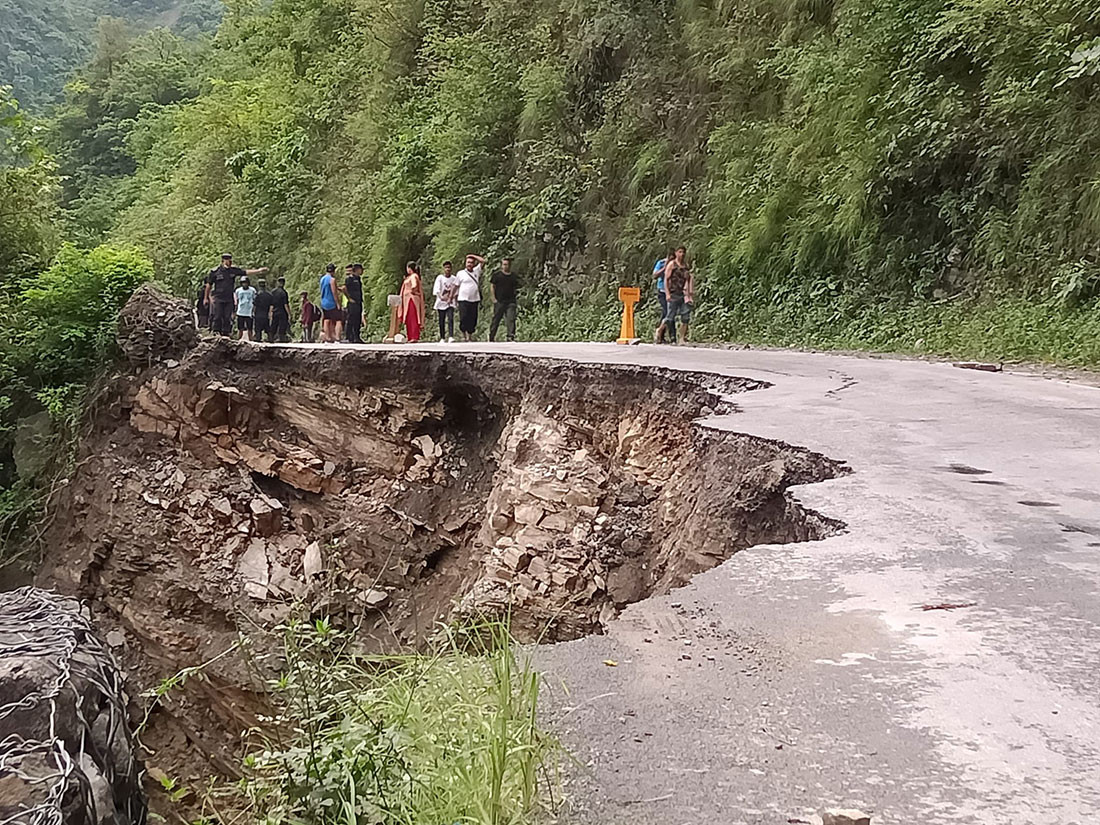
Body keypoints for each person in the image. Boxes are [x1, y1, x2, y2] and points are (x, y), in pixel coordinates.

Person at [205, 253, 268, 336]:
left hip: (228, 298)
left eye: (230, 260)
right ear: (223, 260)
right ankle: (216, 333)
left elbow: (245, 272)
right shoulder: (215, 272)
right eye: (228, 260)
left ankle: (226, 334)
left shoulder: (233, 270)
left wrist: (259, 270)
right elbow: (209, 285)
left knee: (227, 317)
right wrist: (206, 298)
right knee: (218, 316)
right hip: (218, 297)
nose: (230, 261)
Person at [655, 245, 693, 344]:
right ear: (676, 253)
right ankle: (659, 330)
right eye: (680, 252)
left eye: (683, 252)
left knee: (685, 317)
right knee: (670, 317)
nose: (682, 254)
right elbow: (666, 280)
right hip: (672, 293)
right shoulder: (672, 264)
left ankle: (682, 338)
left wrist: (689, 295)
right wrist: (667, 293)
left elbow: (689, 280)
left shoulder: (685, 266)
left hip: (682, 293)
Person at [455, 253, 485, 342]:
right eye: (468, 262)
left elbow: (483, 261)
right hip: (463, 299)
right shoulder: (460, 273)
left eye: (471, 262)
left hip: (474, 299)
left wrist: (472, 255)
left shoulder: (476, 271)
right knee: (463, 317)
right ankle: (464, 335)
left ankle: (470, 336)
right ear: (465, 263)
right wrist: (453, 297)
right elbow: (456, 286)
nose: (469, 264)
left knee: (473, 318)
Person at [489, 257, 520, 342]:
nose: (506, 266)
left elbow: (517, 287)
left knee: (511, 319)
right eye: (504, 264)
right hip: (499, 301)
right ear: (501, 265)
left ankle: (510, 336)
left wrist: (516, 297)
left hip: (511, 301)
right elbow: (492, 286)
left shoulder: (513, 276)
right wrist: (493, 298)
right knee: (496, 319)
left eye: (507, 264)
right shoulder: (497, 275)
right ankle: (492, 336)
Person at [652, 249, 676, 344]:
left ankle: (662, 335)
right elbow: (654, 275)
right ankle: (671, 336)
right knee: (668, 312)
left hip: (672, 291)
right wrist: (665, 268)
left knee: (669, 313)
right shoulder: (661, 263)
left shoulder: (677, 264)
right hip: (662, 291)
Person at [398, 261, 426, 343]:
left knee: (413, 318)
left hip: (411, 299)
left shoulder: (413, 276)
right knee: (409, 318)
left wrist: (412, 291)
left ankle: (414, 336)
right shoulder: (410, 277)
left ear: (409, 268)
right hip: (408, 300)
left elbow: (414, 285)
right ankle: (410, 336)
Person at [432, 260, 458, 342]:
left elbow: (456, 290)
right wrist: (441, 297)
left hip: (450, 302)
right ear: (444, 269)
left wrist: (451, 298)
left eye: (449, 267)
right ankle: (442, 337)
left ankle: (451, 336)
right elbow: (437, 289)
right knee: (441, 320)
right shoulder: (440, 278)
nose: (448, 269)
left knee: (450, 318)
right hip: (441, 302)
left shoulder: (454, 278)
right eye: (446, 267)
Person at [319, 263, 340, 343]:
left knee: (326, 319)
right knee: (336, 320)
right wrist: (338, 303)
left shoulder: (322, 279)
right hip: (331, 302)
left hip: (324, 301)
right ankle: (334, 336)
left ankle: (327, 337)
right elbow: (334, 292)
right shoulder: (332, 280)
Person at [344, 263, 364, 344]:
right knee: (351, 320)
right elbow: (344, 288)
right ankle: (349, 337)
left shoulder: (358, 279)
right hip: (352, 302)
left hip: (358, 302)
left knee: (357, 320)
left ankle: (357, 336)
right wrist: (349, 298)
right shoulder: (350, 279)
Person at [234, 276, 258, 342]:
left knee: (250, 328)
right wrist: (235, 311)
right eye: (243, 283)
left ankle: (251, 341)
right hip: (240, 312)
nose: (245, 284)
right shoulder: (238, 290)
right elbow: (236, 301)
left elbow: (255, 301)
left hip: (249, 312)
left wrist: (254, 311)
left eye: (246, 283)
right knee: (240, 328)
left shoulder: (252, 290)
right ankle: (238, 341)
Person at [271, 277, 291, 342]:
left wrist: (270, 312)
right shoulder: (284, 293)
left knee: (274, 325)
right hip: (282, 312)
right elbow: (285, 304)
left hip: (275, 311)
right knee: (282, 326)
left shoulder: (273, 292)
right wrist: (289, 314)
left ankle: (271, 338)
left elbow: (271, 304)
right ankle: (281, 339)